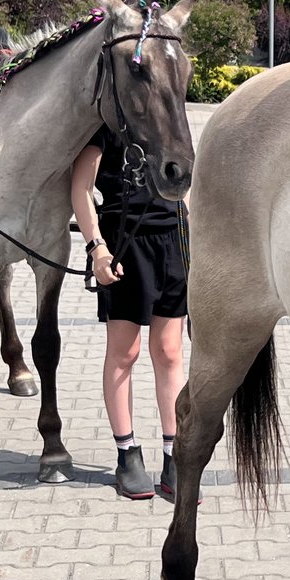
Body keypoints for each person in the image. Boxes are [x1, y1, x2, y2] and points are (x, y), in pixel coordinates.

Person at [69, 128, 190, 502]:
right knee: (125, 352)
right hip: (123, 243)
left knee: (170, 351)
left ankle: (175, 456)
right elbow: (80, 188)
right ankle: (127, 454)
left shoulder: (167, 120)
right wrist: (97, 249)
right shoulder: (104, 126)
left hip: (174, 239)